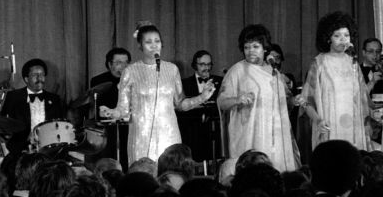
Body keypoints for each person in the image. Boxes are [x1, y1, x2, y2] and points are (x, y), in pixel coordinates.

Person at [100, 22, 215, 165]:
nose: (154, 45)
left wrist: (202, 97)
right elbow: (122, 110)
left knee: (171, 173)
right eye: (148, 42)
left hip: (169, 134)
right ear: (140, 46)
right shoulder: (130, 72)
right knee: (146, 177)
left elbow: (180, 104)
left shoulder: (172, 69)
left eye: (157, 41)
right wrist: (110, 112)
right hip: (142, 136)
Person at [217, 24, 299, 172]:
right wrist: (238, 100)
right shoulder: (237, 70)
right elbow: (222, 102)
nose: (250, 51)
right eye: (247, 47)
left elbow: (286, 102)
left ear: (265, 48)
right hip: (249, 134)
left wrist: (294, 101)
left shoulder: (274, 72)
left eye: (255, 46)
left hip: (276, 136)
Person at [299, 12, 371, 150]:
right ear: (328, 38)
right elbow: (306, 100)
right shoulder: (319, 63)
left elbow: (363, 99)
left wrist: (367, 124)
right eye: (337, 36)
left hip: (354, 127)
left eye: (346, 35)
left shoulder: (354, 63)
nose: (343, 40)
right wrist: (318, 120)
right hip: (329, 125)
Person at [0, 58, 64, 154]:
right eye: (35, 75)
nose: (40, 78)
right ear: (26, 79)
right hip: (20, 150)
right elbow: (2, 123)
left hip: (49, 150)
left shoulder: (55, 99)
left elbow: (60, 126)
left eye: (42, 75)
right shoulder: (13, 97)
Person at [179, 50, 223, 162]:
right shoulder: (184, 83)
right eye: (202, 64)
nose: (206, 67)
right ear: (194, 65)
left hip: (214, 133)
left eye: (209, 64)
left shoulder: (220, 81)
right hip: (192, 133)